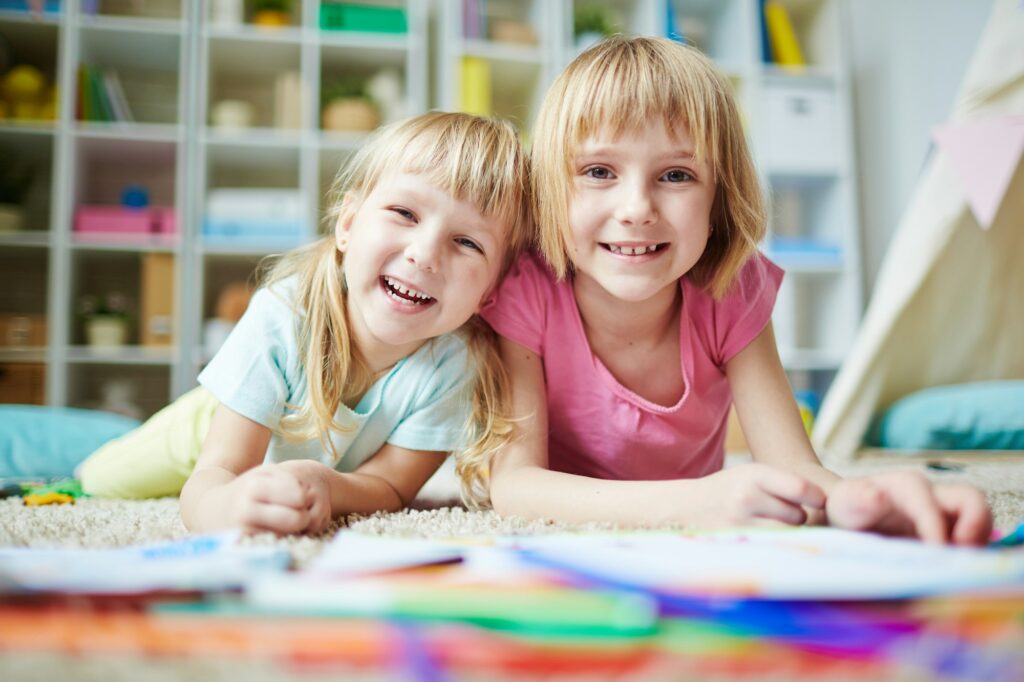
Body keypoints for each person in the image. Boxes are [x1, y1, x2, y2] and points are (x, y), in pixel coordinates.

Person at [480, 36, 992, 545]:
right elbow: (514, 485)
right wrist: (694, 502)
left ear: (719, 198)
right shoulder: (528, 286)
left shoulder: (732, 288)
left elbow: (794, 467)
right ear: (550, 187)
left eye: (676, 174)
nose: (636, 208)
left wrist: (872, 503)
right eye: (598, 172)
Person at [79, 112, 532, 535]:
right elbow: (216, 473)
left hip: (306, 457)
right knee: (98, 479)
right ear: (348, 224)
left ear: (490, 293)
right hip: (212, 424)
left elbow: (392, 487)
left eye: (467, 242)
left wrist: (325, 484)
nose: (425, 254)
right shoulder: (283, 315)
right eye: (405, 214)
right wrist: (227, 505)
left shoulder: (455, 363)